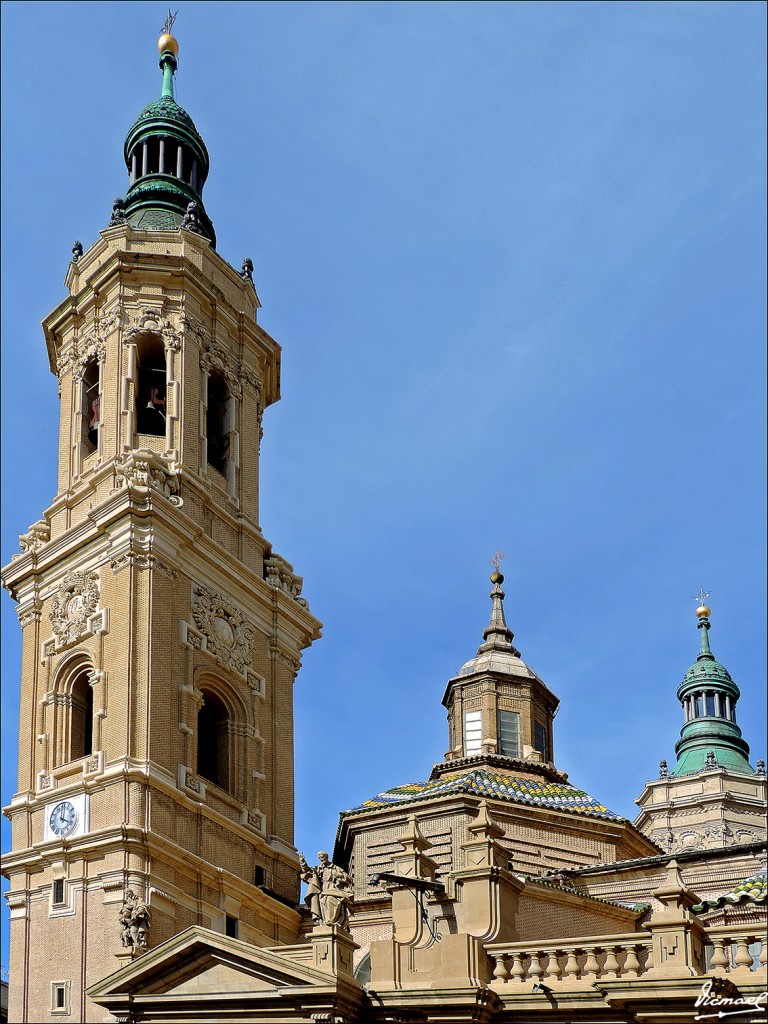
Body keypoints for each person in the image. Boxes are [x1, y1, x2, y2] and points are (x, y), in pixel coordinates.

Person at [298, 850, 353, 928]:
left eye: (322, 857)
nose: (321, 859)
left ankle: (332, 920)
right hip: (324, 889)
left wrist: (339, 875)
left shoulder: (335, 868)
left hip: (334, 888)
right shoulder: (319, 869)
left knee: (330, 899)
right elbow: (308, 871)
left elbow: (349, 879)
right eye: (320, 858)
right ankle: (326, 920)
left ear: (326, 857)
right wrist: (302, 862)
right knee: (323, 901)